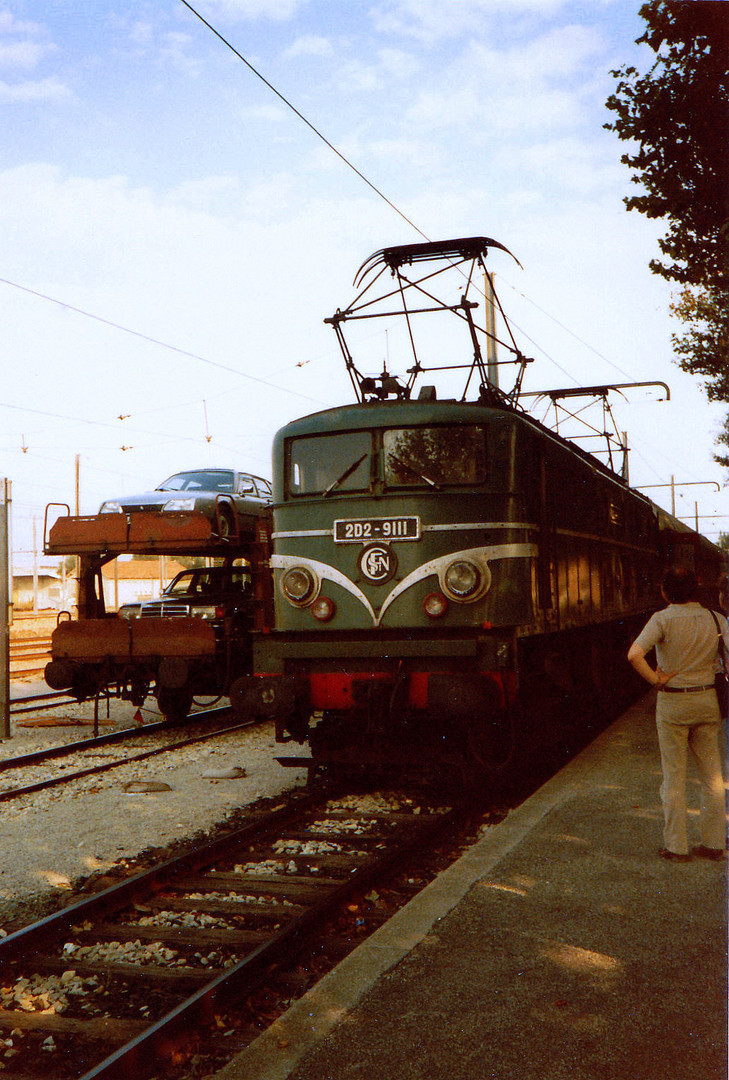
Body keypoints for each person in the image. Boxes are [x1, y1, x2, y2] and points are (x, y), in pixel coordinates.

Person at [627, 566, 727, 862]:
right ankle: (713, 845)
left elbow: (634, 654)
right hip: (707, 700)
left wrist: (655, 679)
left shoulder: (662, 619)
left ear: (665, 591)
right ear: (695, 590)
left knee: (674, 777)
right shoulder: (715, 618)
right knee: (712, 777)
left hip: (673, 704)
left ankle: (677, 847)